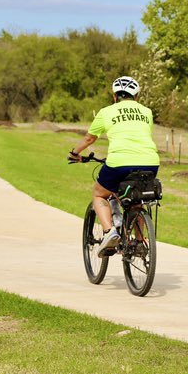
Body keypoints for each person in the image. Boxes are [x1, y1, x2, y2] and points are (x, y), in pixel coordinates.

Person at [69, 76, 160, 256]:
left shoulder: (106, 112)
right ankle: (140, 241)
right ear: (137, 97)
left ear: (114, 96)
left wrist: (75, 153)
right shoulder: (147, 112)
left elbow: (90, 138)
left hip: (120, 162)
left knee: (99, 194)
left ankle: (109, 232)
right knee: (136, 200)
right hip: (150, 162)